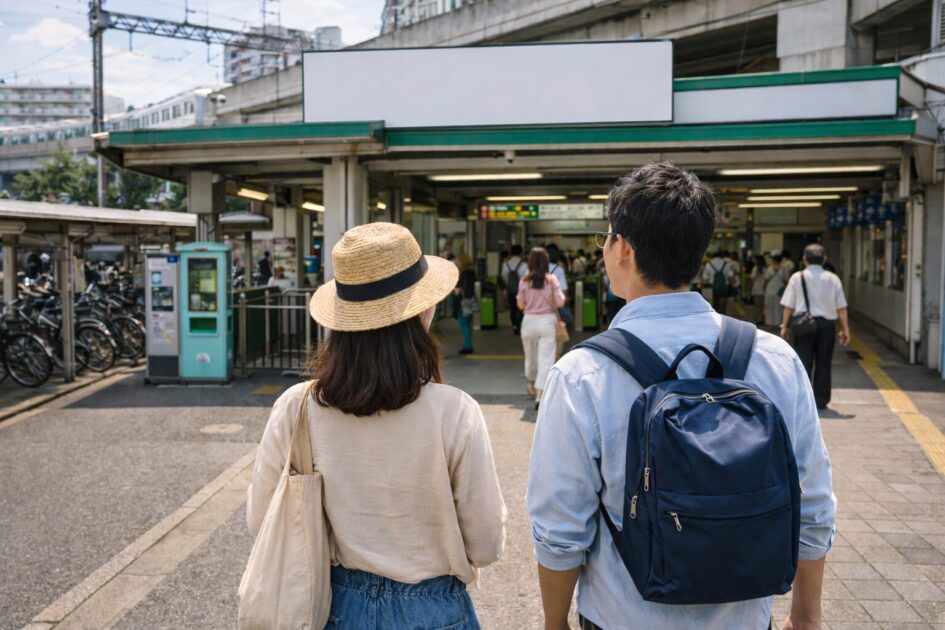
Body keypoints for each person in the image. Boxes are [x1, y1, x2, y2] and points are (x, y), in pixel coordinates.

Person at [527, 162, 834, 630]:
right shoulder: (775, 359)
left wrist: (554, 623)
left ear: (623, 247)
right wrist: (806, 616)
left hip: (622, 617)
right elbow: (810, 501)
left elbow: (560, 528)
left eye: (605, 238)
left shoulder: (581, 374)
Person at [248, 223, 506, 630]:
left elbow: (260, 518)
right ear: (421, 309)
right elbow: (487, 544)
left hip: (331, 606)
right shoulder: (455, 412)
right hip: (434, 610)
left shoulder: (296, 408)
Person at [780, 244, 851, 410]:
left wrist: (785, 326)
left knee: (803, 362)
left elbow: (789, 306)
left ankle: (804, 400)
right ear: (824, 259)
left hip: (804, 325)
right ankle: (821, 399)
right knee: (824, 362)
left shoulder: (797, 277)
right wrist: (845, 329)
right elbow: (841, 307)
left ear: (804, 260)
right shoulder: (833, 278)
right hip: (827, 326)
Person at [517, 247, 565, 409]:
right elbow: (560, 302)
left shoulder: (524, 281)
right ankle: (540, 395)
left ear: (530, 262)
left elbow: (520, 304)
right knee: (546, 359)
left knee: (530, 357)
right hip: (547, 321)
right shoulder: (552, 280)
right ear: (546, 263)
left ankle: (531, 382)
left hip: (529, 321)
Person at [454, 253, 477, 355]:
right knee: (468, 323)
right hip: (471, 301)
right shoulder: (472, 273)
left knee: (464, 324)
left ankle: (468, 346)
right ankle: (468, 345)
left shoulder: (462, 274)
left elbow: (457, 291)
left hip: (463, 302)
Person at [502, 244, 527, 335]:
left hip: (510, 289)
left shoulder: (505, 264)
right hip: (522, 291)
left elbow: (504, 277)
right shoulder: (524, 265)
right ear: (521, 252)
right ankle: (520, 325)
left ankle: (514, 326)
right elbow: (526, 278)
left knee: (512, 308)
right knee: (521, 309)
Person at [702, 249, 734, 313]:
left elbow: (705, 279)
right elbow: (731, 277)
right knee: (723, 307)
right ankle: (722, 317)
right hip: (724, 288)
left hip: (712, 288)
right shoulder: (726, 264)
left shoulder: (709, 264)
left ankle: (714, 317)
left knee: (713, 306)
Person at [764, 251, 787, 328]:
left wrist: (764, 288)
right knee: (779, 308)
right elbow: (786, 281)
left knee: (769, 307)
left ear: (774, 260)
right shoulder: (784, 269)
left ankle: (770, 324)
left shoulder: (769, 269)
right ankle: (778, 323)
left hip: (770, 290)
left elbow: (766, 280)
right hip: (779, 291)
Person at [750, 254, 767, 325]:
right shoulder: (766, 268)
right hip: (764, 289)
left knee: (757, 306)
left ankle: (757, 319)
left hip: (756, 289)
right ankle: (762, 319)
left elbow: (752, 277)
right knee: (763, 306)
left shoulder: (755, 268)